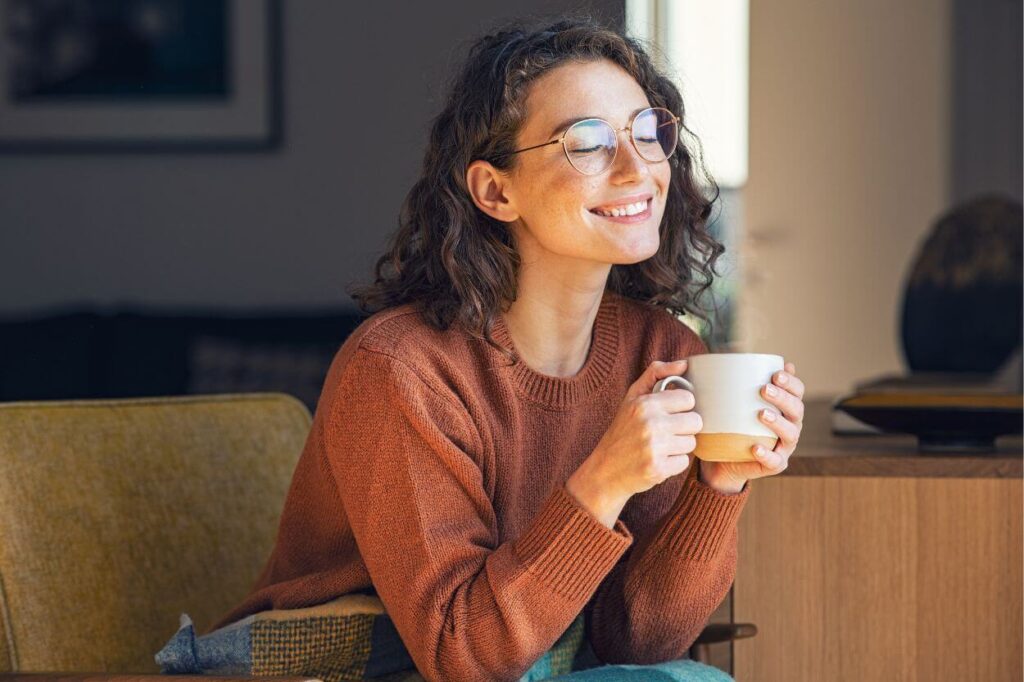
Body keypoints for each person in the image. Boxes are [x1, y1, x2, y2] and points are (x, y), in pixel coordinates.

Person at [209, 16, 805, 681]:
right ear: (496, 191)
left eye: (647, 132)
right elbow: (461, 657)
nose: (637, 167)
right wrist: (603, 481)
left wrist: (718, 484)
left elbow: (636, 643)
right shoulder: (402, 370)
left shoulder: (661, 352)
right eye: (588, 143)